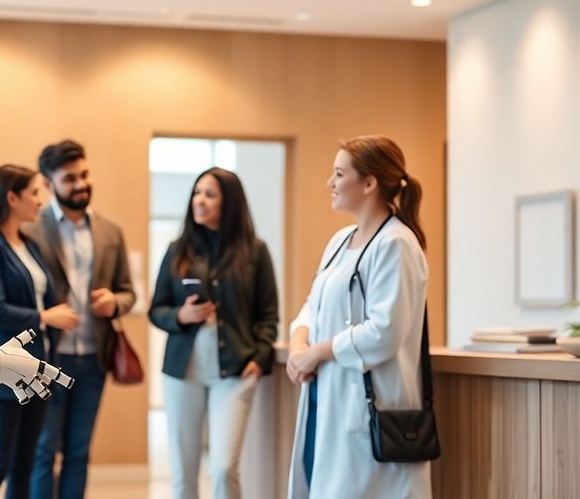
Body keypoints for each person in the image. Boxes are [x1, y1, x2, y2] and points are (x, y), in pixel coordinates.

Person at [285, 135, 430, 498]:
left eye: (338, 174)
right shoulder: (339, 240)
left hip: (368, 407)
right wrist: (298, 343)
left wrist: (317, 353)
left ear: (369, 183)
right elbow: (312, 305)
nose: (329, 183)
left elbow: (384, 333)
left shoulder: (396, 244)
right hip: (328, 397)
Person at [148, 167, 279, 499]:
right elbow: (156, 309)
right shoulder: (178, 249)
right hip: (182, 373)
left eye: (209, 194)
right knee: (183, 473)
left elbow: (268, 314)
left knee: (223, 467)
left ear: (229, 202)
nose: (199, 201)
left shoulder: (255, 251)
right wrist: (181, 314)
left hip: (234, 373)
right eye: (196, 193)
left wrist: (261, 357)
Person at [25, 140, 137, 499]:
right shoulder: (30, 228)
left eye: (84, 175)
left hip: (93, 359)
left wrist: (114, 302)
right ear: (47, 183)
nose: (81, 184)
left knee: (78, 451)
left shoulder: (111, 232)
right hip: (46, 357)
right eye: (70, 178)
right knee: (43, 451)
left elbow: (127, 291)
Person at [0, 164, 80, 499]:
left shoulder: (29, 245)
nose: (41, 201)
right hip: (2, 373)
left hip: (36, 370)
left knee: (24, 467)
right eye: (34, 193)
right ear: (11, 198)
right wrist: (46, 317)